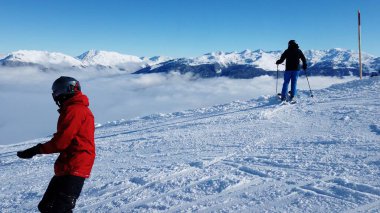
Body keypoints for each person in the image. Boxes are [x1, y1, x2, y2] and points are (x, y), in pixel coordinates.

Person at [17, 76, 95, 212]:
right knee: (47, 206)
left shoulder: (74, 110)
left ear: (66, 90)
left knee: (59, 208)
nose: (55, 96)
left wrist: (36, 150)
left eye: (56, 91)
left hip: (76, 164)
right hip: (68, 163)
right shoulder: (75, 108)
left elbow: (61, 142)